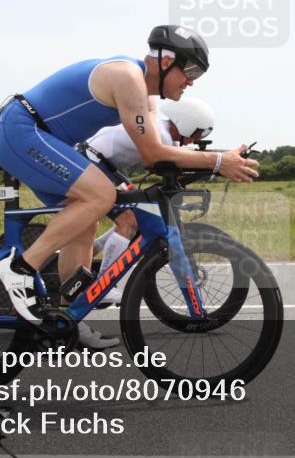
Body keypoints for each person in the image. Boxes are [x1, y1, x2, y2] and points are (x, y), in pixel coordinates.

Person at [0, 25, 257, 348]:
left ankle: (67, 319)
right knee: (101, 195)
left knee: (83, 223)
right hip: (22, 129)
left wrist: (218, 160)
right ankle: (20, 270)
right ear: (165, 60)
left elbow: (158, 159)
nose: (192, 80)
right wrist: (217, 161)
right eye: (189, 70)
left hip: (44, 138)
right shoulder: (128, 78)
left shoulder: (148, 97)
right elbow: (154, 152)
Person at [85, 96, 216, 305]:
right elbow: (166, 165)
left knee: (135, 217)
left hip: (103, 165)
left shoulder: (165, 134)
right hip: (94, 164)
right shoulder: (161, 135)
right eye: (198, 132)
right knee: (127, 221)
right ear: (185, 122)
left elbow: (179, 163)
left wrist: (214, 164)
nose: (196, 139)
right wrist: (215, 164)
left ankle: (90, 253)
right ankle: (103, 286)